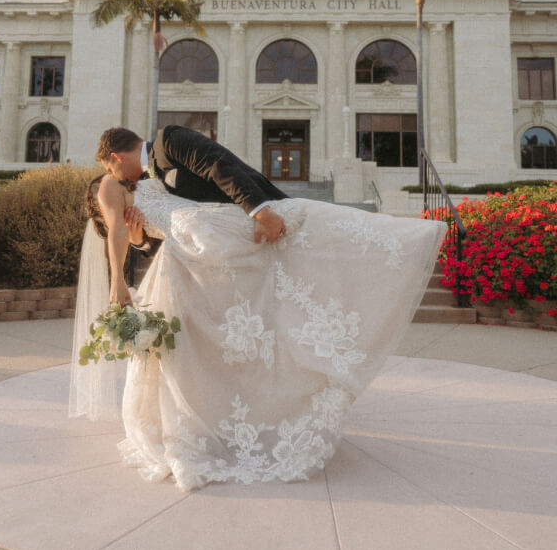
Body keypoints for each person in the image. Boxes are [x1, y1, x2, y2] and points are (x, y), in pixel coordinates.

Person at [70, 166, 447, 491]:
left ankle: (399, 241)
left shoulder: (125, 181)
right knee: (210, 347)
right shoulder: (118, 186)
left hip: (204, 241)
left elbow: (131, 226)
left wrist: (124, 267)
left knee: (232, 331)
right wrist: (126, 262)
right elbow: (128, 230)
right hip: (190, 254)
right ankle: (223, 423)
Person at [96, 126, 289, 304]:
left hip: (268, 218)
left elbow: (219, 167)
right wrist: (140, 242)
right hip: (233, 252)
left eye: (111, 169)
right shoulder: (146, 183)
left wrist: (261, 212)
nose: (116, 176)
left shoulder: (168, 139)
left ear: (118, 157)